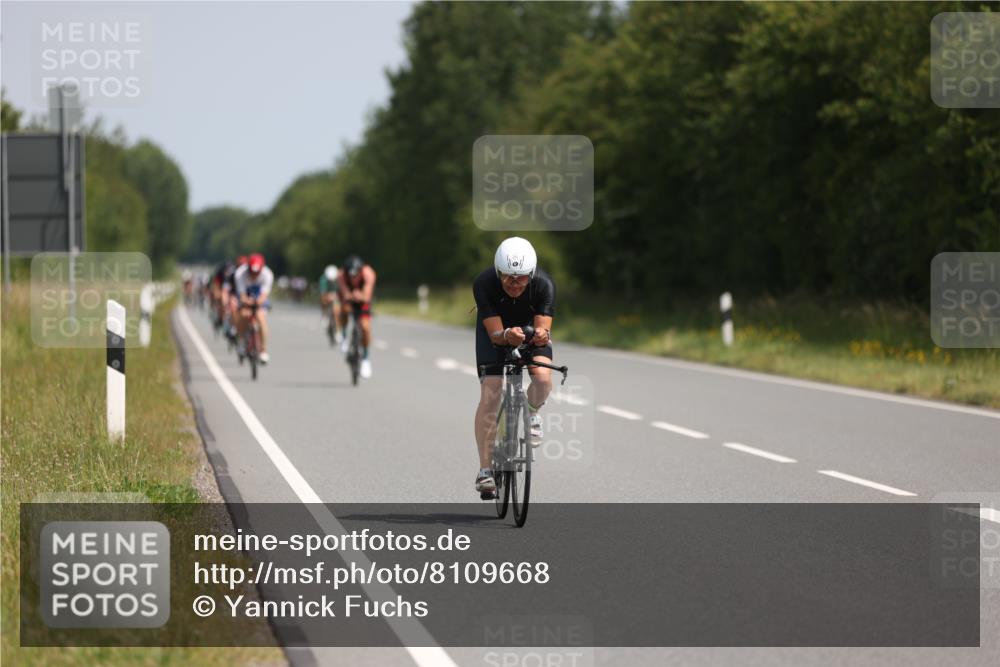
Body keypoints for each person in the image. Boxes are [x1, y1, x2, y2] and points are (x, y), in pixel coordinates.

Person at [472, 237, 555, 495]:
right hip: (495, 334)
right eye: (508, 277)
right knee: (492, 391)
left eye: (521, 278)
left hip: (529, 331)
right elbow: (496, 334)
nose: (514, 284)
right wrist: (507, 335)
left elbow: (543, 328)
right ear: (498, 273)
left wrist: (540, 335)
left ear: (531, 274)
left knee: (542, 378)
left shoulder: (543, 285)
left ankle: (532, 412)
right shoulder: (484, 283)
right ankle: (486, 470)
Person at [337, 255, 376, 379]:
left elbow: (367, 294)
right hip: (349, 297)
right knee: (342, 310)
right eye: (351, 275)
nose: (353, 277)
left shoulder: (368, 274)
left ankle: (365, 359)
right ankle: (343, 336)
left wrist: (361, 296)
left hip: (363, 299)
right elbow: (344, 291)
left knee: (365, 327)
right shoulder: (341, 275)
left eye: (356, 274)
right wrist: (350, 295)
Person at [234, 253, 274, 364]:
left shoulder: (268, 274)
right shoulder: (240, 274)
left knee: (260, 317)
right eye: (252, 272)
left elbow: (264, 295)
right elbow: (242, 296)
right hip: (245, 295)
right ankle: (241, 341)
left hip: (259, 296)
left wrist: (257, 302)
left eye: (257, 272)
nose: (254, 275)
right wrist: (247, 302)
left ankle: (263, 350)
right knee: (243, 314)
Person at [318, 264, 343, 343]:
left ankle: (338, 331)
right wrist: (327, 297)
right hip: (327, 295)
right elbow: (323, 293)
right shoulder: (323, 279)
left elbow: (342, 290)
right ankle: (324, 315)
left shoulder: (340, 278)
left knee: (337, 312)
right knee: (323, 301)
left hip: (337, 296)